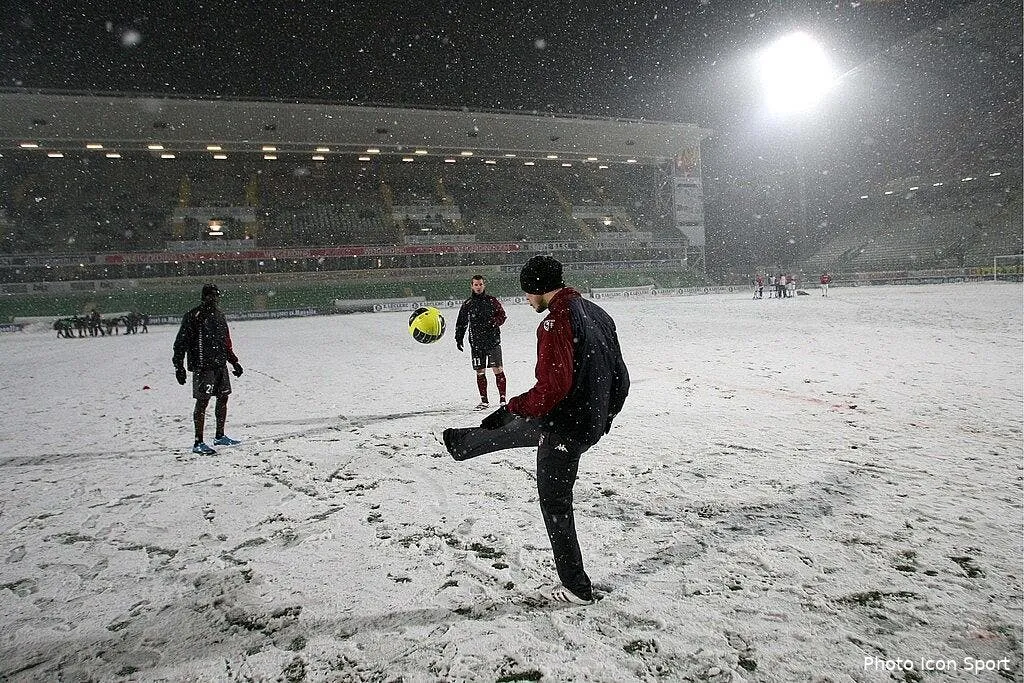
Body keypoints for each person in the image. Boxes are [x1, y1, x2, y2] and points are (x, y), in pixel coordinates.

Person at [442, 256, 630, 605]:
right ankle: (465, 442)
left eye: (528, 293)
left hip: (567, 426)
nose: (527, 300)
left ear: (540, 288)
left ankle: (575, 587)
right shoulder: (598, 313)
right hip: (583, 419)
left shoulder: (555, 325)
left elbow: (550, 390)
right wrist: (605, 417)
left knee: (555, 504)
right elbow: (622, 377)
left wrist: (512, 405)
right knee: (528, 427)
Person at [172, 284, 244, 454]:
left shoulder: (219, 316)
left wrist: (234, 362)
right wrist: (179, 366)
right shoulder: (193, 316)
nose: (214, 299)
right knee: (203, 402)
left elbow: (225, 342)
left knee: (223, 397)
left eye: (216, 296)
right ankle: (198, 442)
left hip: (220, 364)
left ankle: (220, 435)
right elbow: (181, 342)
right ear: (204, 297)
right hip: (203, 366)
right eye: (211, 296)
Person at [454, 275, 508, 409]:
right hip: (476, 343)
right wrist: (458, 338)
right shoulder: (468, 304)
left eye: (480, 284)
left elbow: (502, 315)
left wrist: (494, 322)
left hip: (492, 341)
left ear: (484, 285)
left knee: (498, 369)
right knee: (480, 372)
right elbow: (461, 322)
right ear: (471, 286)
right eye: (476, 285)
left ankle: (503, 399)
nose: (478, 287)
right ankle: (484, 401)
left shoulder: (492, 301)